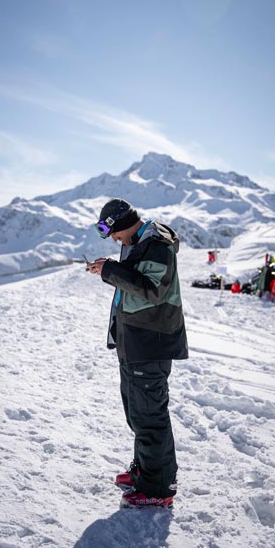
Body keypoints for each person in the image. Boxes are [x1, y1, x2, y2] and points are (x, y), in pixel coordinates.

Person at [86, 198, 189, 509]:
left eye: (113, 233)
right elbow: (134, 282)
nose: (114, 239)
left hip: (150, 341)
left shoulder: (156, 241)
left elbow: (152, 288)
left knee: (150, 415)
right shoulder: (139, 241)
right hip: (134, 341)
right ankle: (145, 471)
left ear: (120, 223)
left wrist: (111, 271)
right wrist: (110, 268)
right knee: (138, 413)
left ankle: (158, 486)